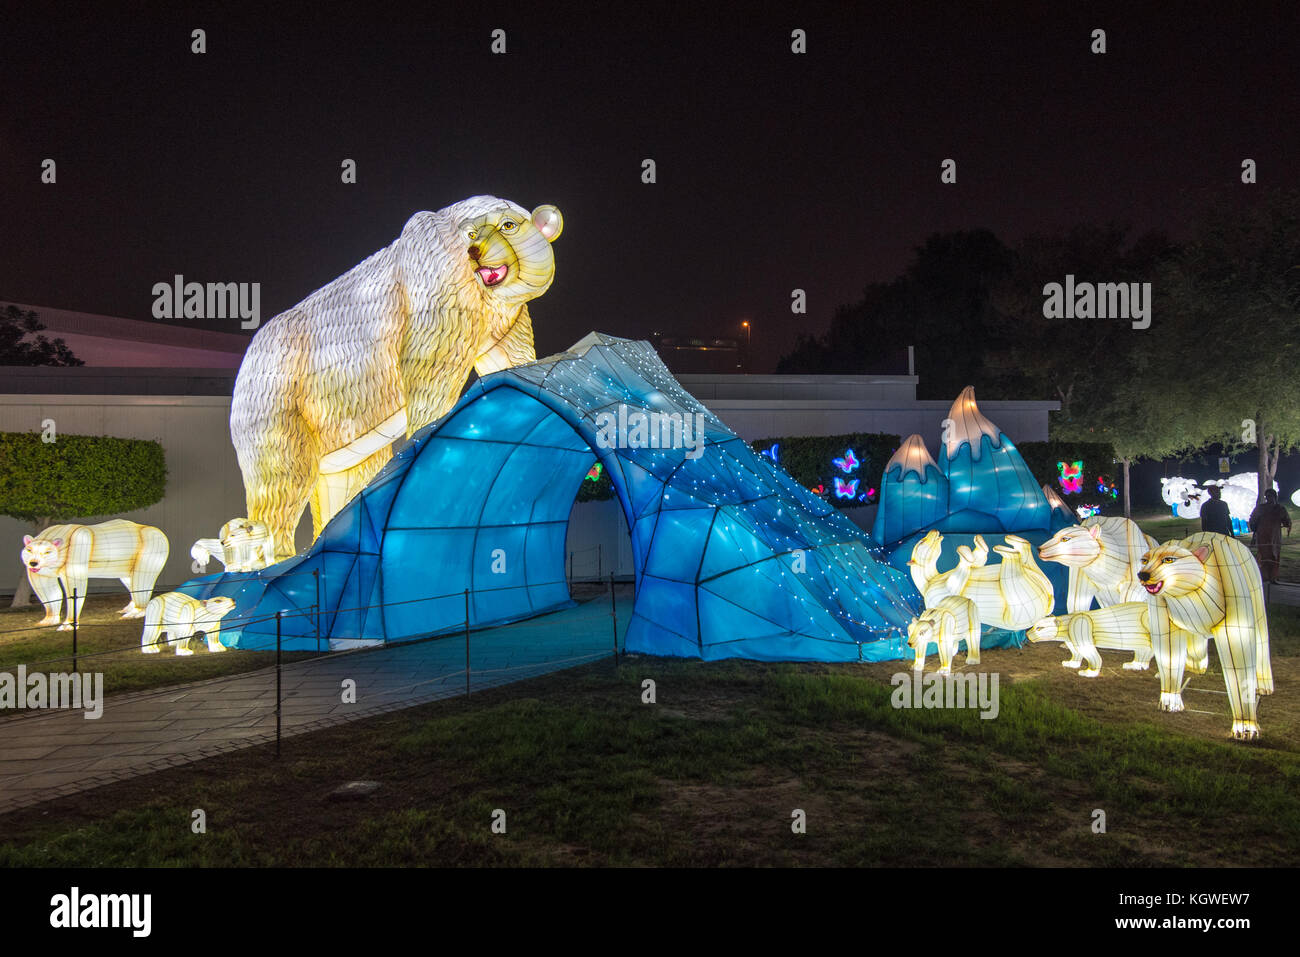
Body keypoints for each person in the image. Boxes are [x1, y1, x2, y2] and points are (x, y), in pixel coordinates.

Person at [1248, 488, 1291, 583]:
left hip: (1275, 537)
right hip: (1263, 536)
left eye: (1270, 496)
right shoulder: (1261, 508)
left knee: (1274, 556)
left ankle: (1273, 577)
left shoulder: (1280, 509)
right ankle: (1264, 576)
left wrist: (1287, 523)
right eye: (1267, 496)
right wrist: (1255, 532)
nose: (1269, 498)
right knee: (1263, 556)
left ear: (1275, 497)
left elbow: (1286, 521)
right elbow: (1253, 520)